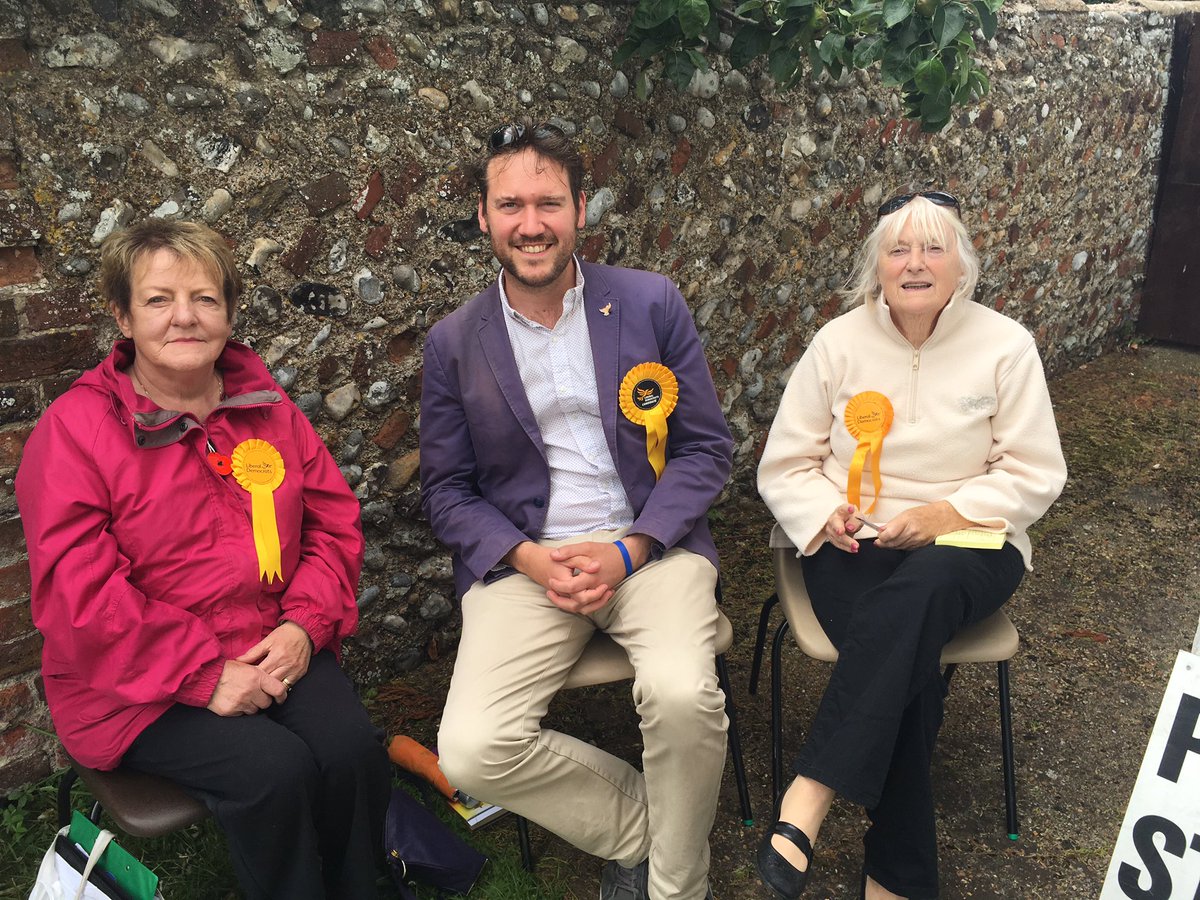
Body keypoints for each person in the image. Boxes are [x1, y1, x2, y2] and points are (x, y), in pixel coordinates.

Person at [16, 219, 390, 900]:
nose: (184, 317)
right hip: (134, 682)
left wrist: (304, 626)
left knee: (350, 750)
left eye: (205, 298)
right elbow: (81, 597)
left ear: (229, 311)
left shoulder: (269, 408)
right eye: (158, 300)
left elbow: (333, 523)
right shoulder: (73, 432)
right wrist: (202, 675)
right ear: (123, 316)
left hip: (271, 641)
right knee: (272, 771)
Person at [420, 120, 734, 900]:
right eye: (511, 205)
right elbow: (447, 491)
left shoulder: (650, 302)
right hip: (529, 564)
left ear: (581, 209)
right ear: (485, 216)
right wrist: (528, 558)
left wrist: (632, 548)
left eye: (549, 203)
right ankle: (648, 831)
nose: (531, 224)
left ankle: (677, 888)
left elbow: (704, 449)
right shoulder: (453, 343)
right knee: (470, 750)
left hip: (649, 548)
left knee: (682, 695)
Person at [755, 190, 1067, 900]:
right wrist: (826, 513)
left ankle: (811, 790)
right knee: (905, 660)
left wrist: (946, 514)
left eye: (933, 248)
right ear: (877, 266)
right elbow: (786, 463)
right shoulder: (837, 342)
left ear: (963, 266)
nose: (915, 263)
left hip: (971, 540)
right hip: (853, 542)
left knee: (918, 595)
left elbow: (1035, 471)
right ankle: (898, 880)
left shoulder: (1006, 345)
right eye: (898, 249)